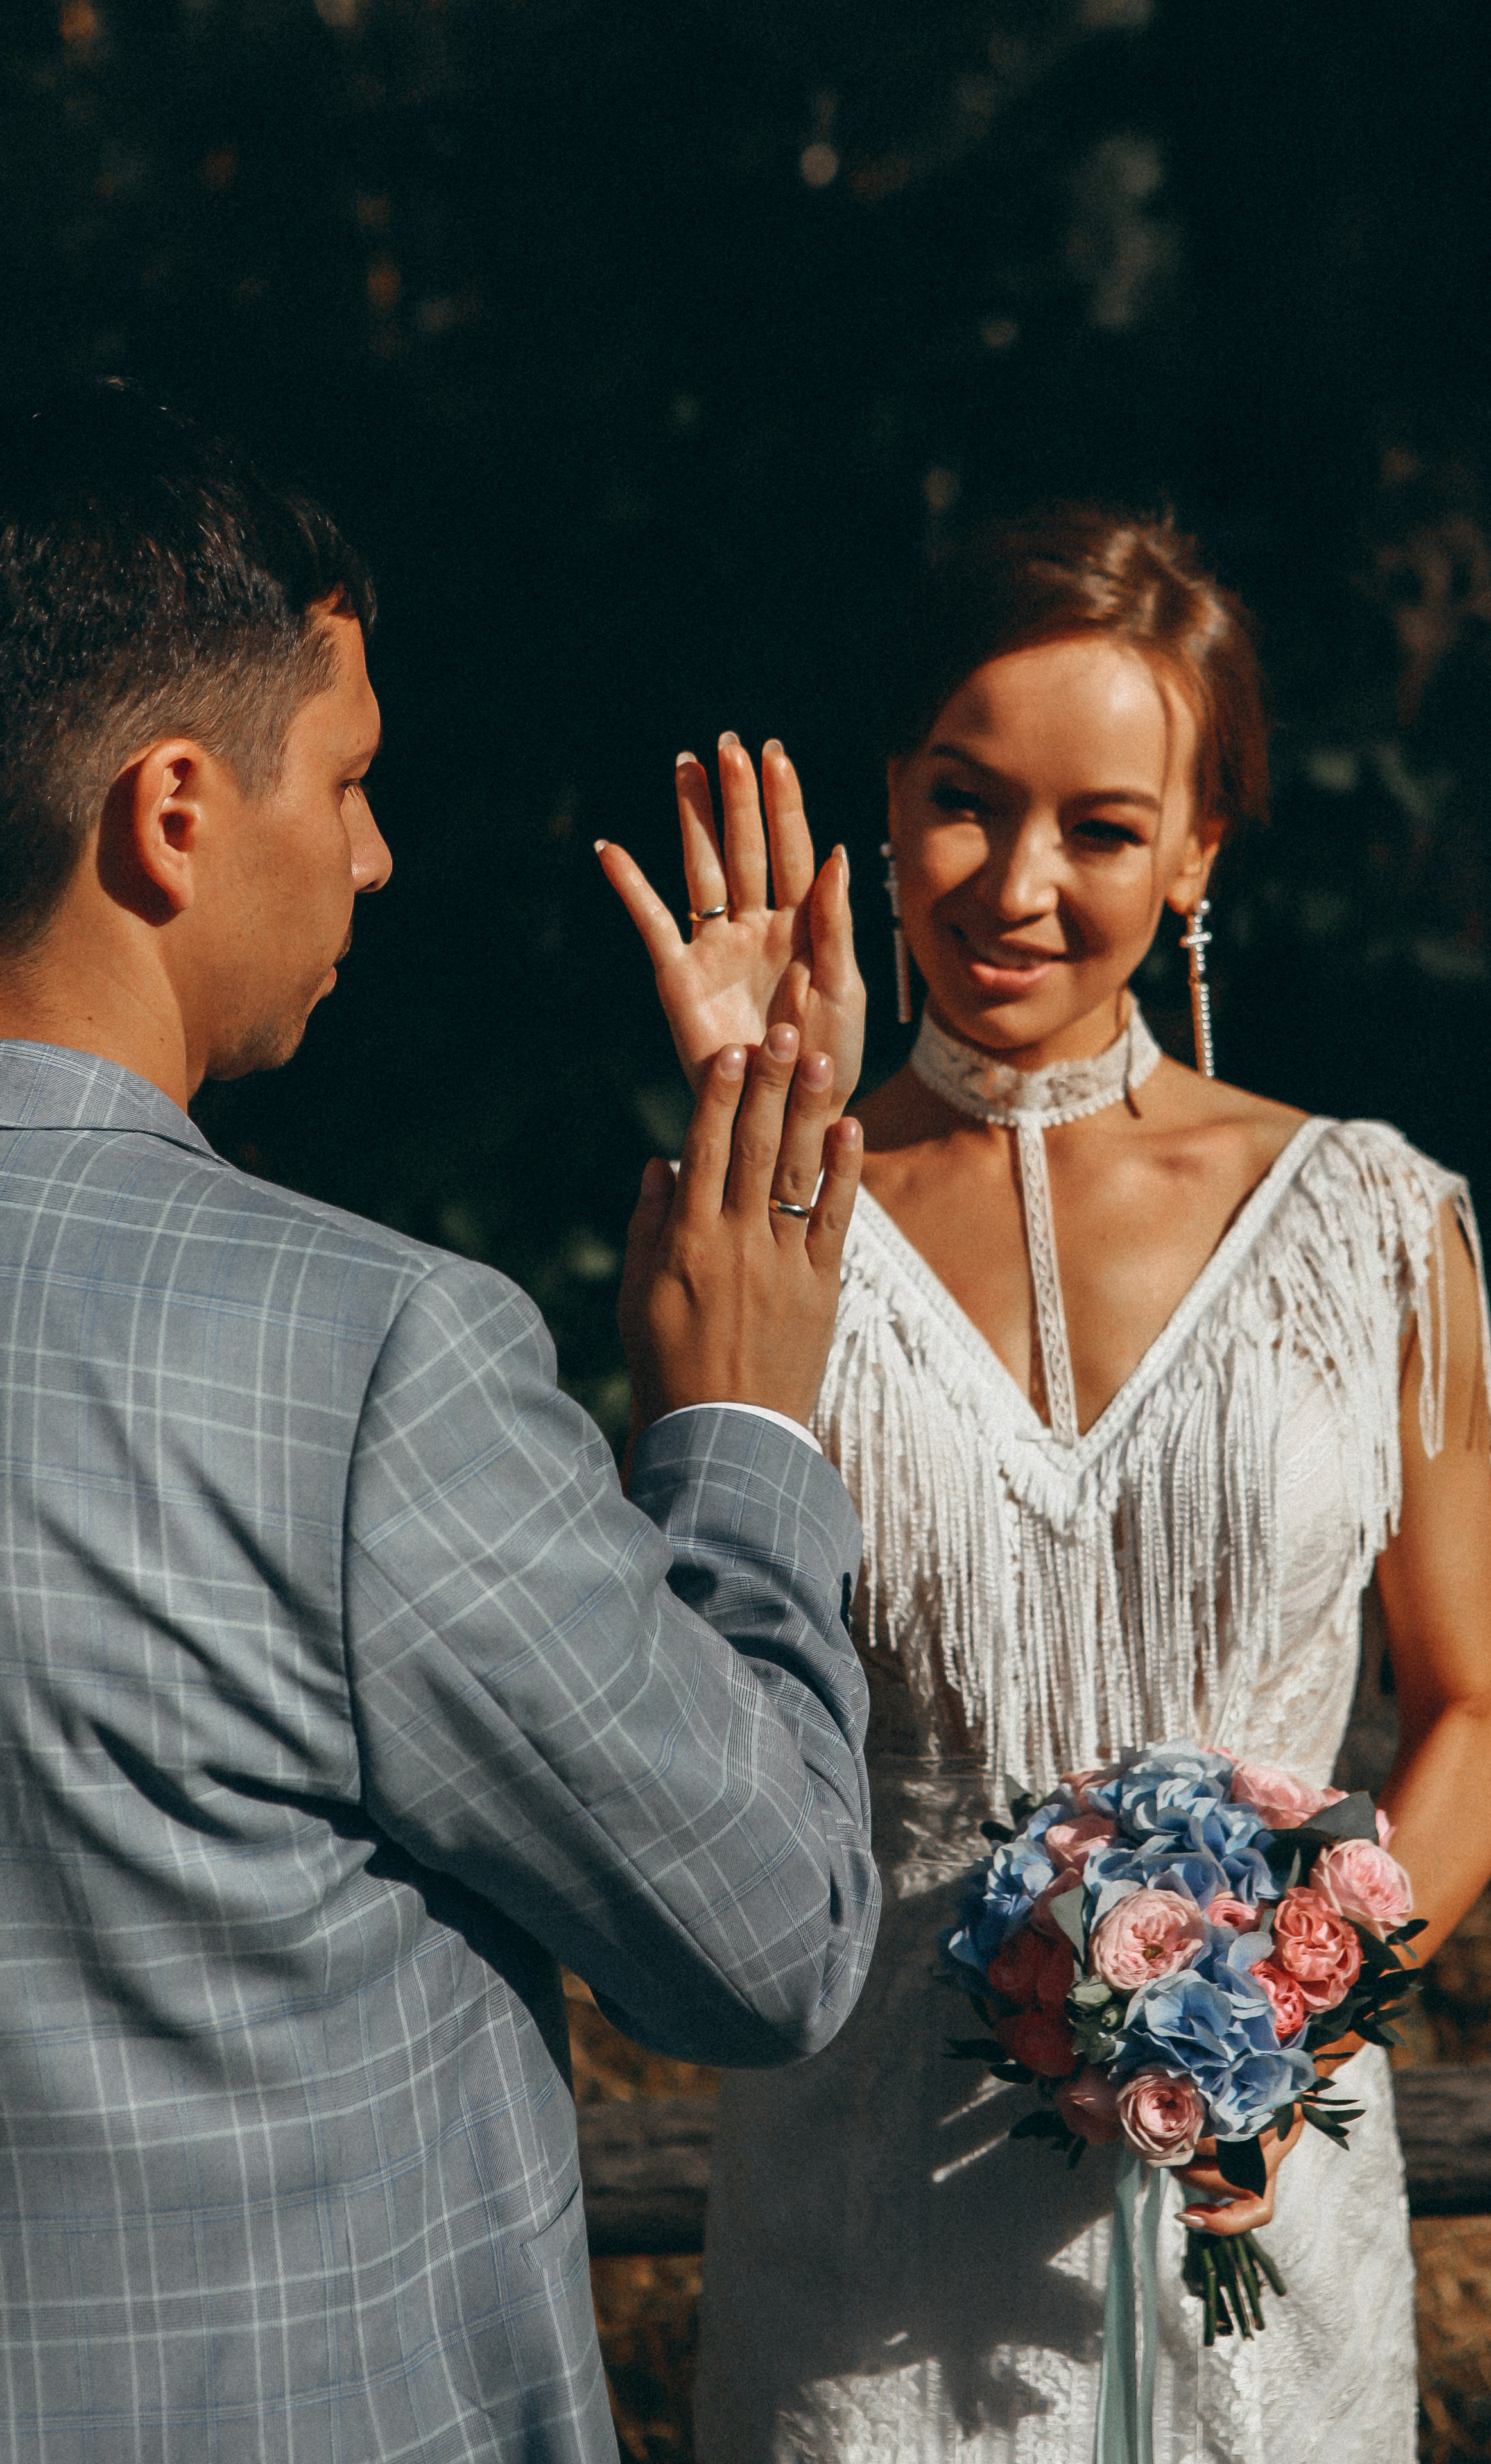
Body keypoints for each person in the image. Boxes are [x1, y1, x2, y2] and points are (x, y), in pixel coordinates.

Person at [0, 380, 880, 2464]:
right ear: (176, 812)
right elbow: (766, 1938)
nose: (381, 855)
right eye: (355, 779)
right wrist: (741, 1434)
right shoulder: (360, 1356)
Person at [604, 508, 1491, 2461]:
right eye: (963, 803)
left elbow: (1471, 1710)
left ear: (1198, 850)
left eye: (1102, 828)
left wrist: (1293, 2013)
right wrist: (760, 1141)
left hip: (1257, 2231)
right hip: (867, 2271)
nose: (1015, 886)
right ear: (889, 799)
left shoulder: (1374, 1223)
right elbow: (681, 1703)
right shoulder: (758, 1218)